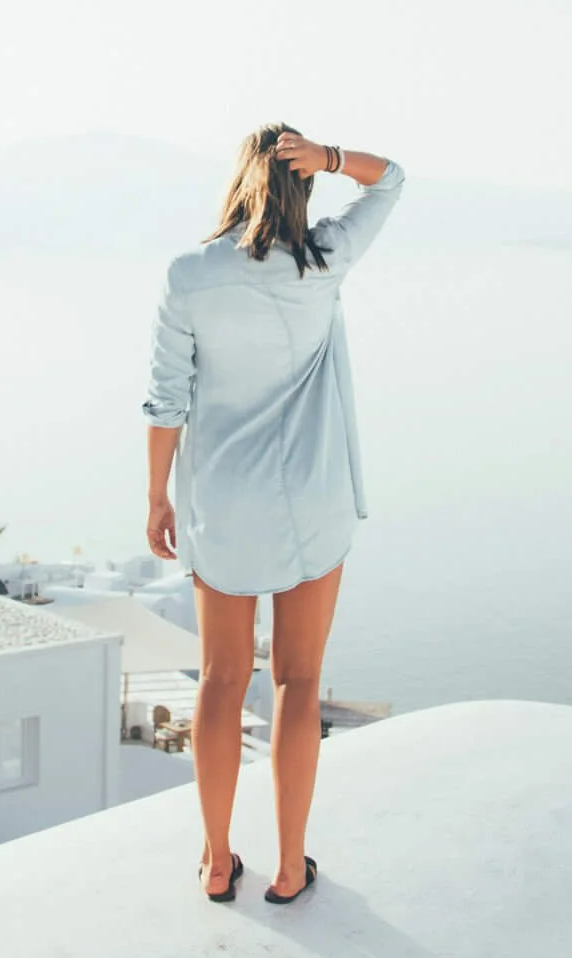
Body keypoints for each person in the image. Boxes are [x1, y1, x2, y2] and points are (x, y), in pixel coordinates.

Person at [142, 125, 404, 905]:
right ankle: (291, 868)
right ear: (301, 185)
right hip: (312, 503)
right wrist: (329, 155)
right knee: (299, 680)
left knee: (222, 679)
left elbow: (166, 399)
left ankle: (218, 860)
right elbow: (390, 179)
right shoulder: (322, 262)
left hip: (223, 503)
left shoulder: (189, 274)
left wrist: (158, 496)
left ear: (239, 181)